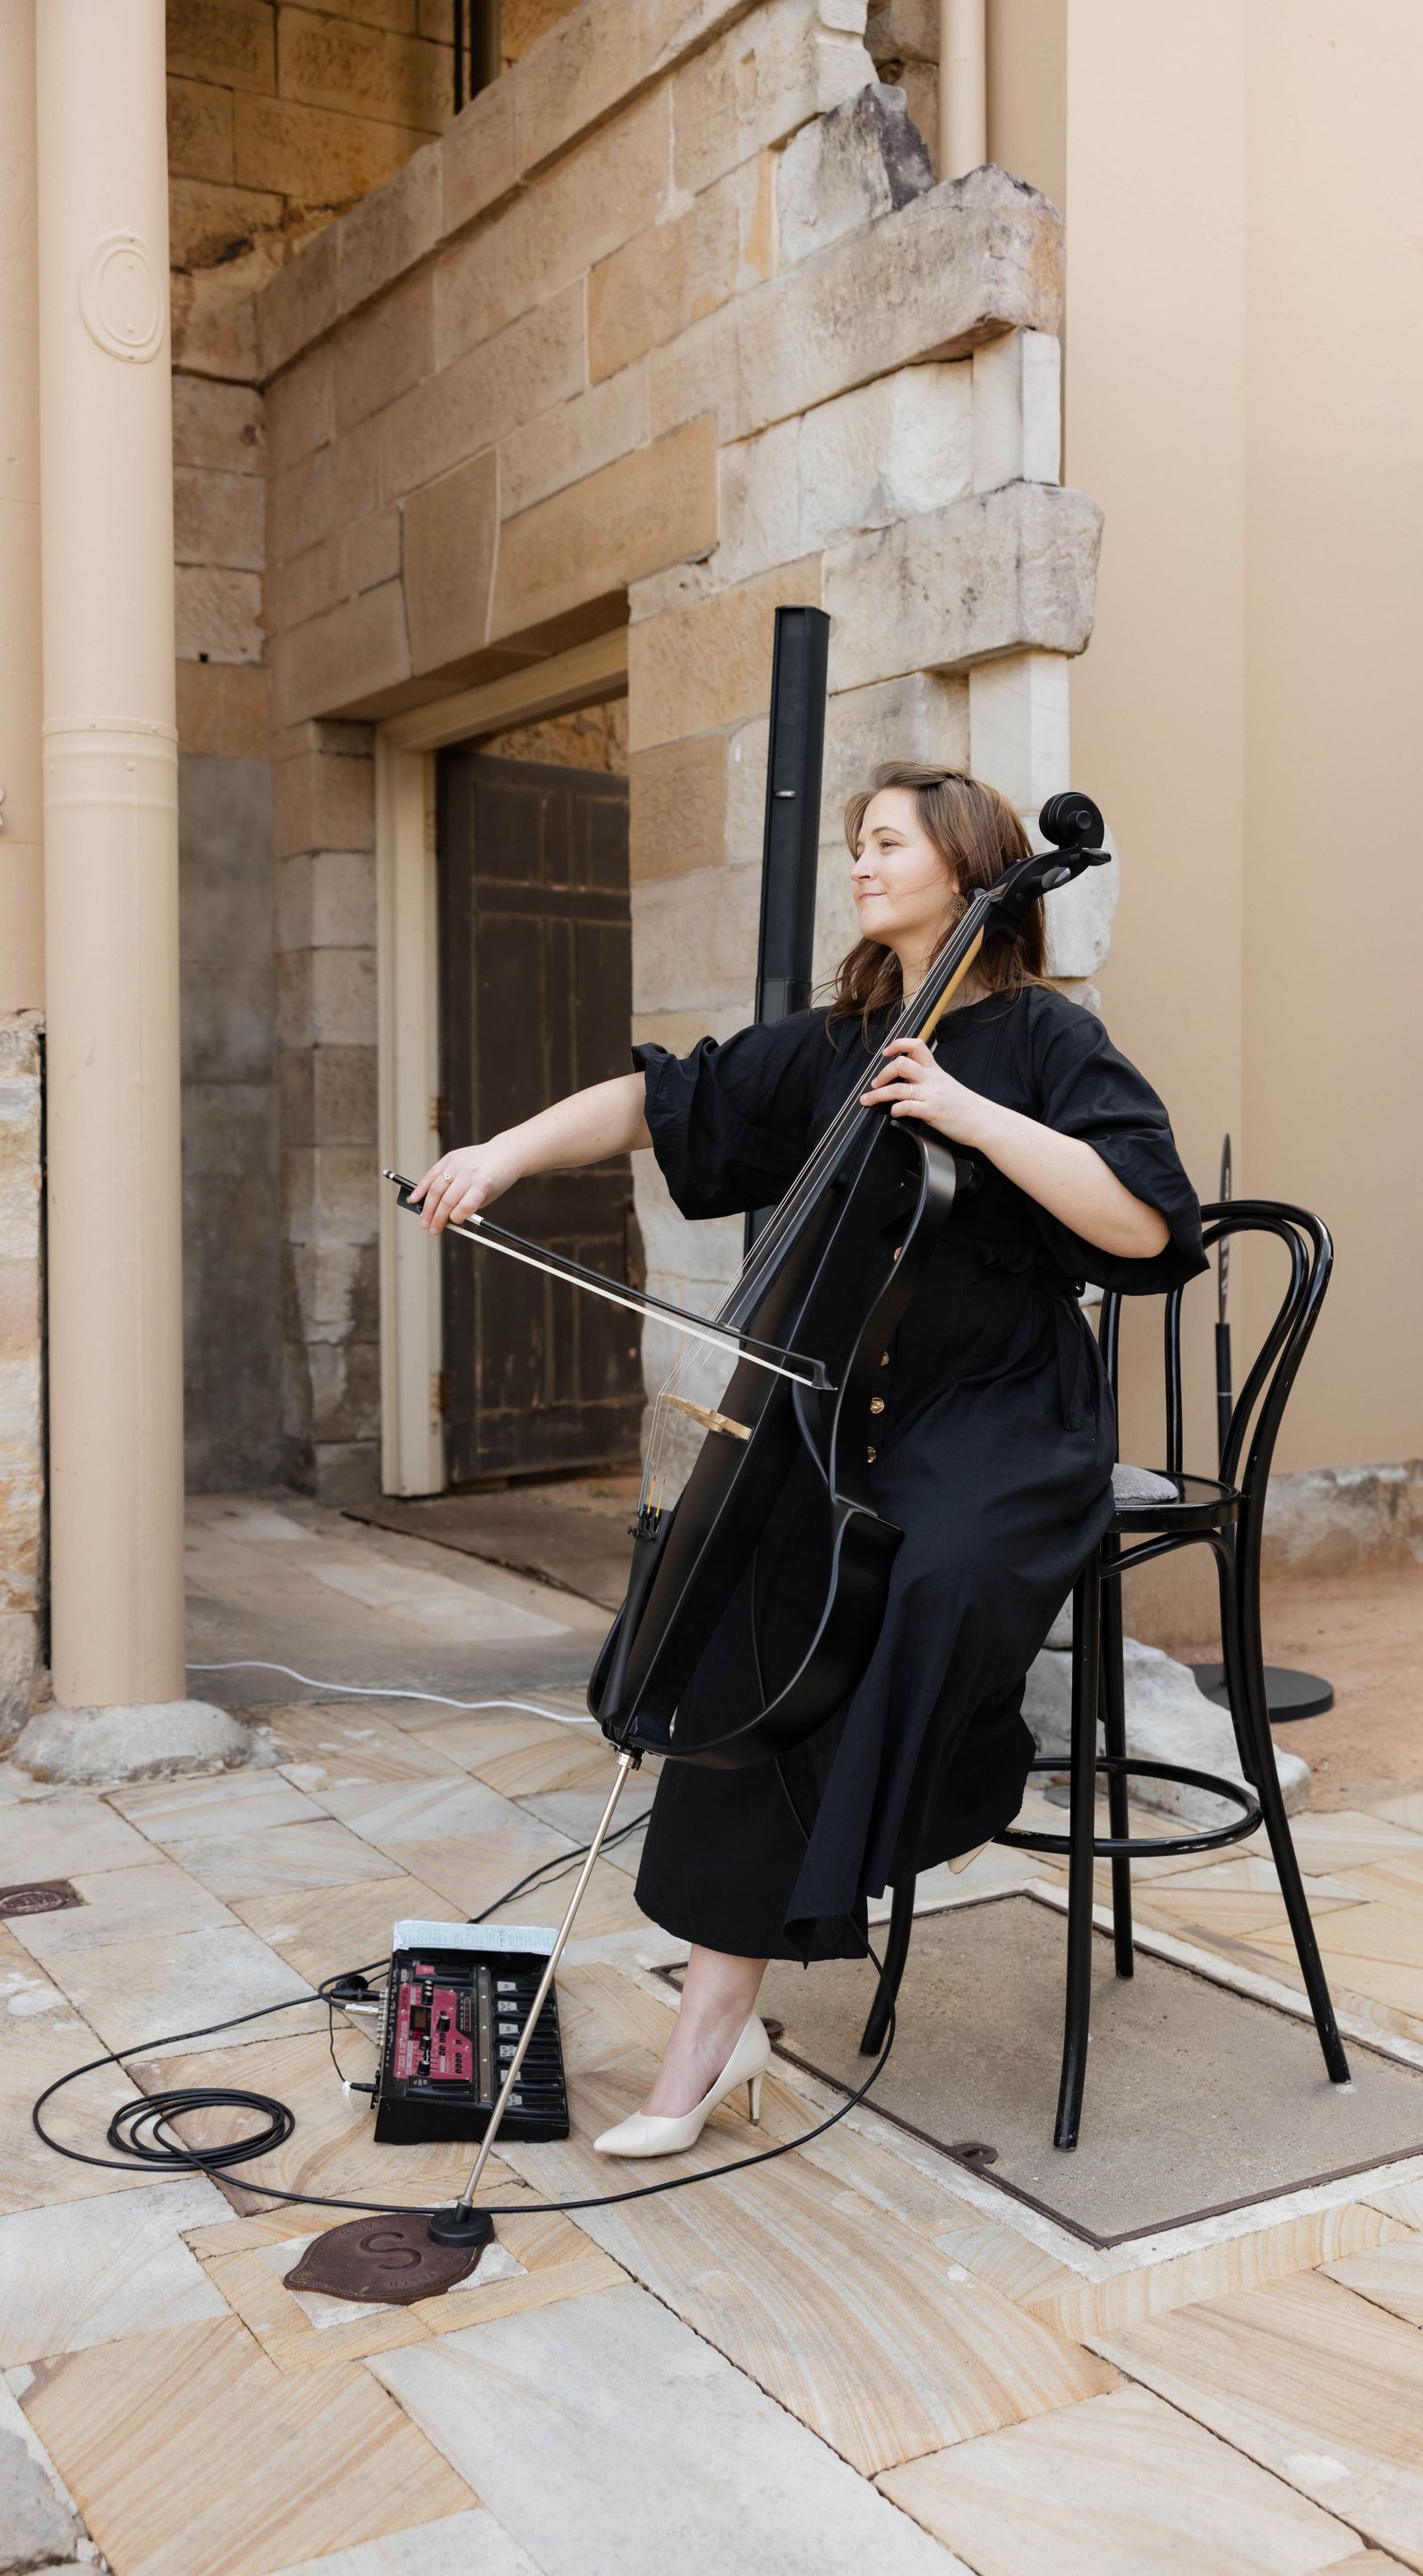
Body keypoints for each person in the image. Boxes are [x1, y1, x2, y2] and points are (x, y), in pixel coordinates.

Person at [410, 762, 1204, 2155]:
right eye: (852, 844)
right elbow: (659, 1102)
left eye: (884, 842)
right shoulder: (841, 1042)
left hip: (1001, 1413)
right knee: (759, 1630)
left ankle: (925, 1794)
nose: (858, 863)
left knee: (928, 1584)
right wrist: (504, 1153)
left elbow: (1144, 1222)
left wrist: (969, 1114)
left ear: (965, 865)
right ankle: (709, 2042)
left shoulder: (1044, 1040)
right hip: (838, 1412)